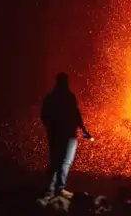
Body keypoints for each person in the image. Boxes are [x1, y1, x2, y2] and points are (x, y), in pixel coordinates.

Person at [40, 72, 91, 201]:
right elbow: (45, 117)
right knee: (58, 161)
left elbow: (75, 113)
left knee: (63, 162)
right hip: (63, 135)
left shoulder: (63, 98)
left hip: (67, 135)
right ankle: (51, 190)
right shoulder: (56, 98)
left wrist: (83, 129)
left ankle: (57, 189)